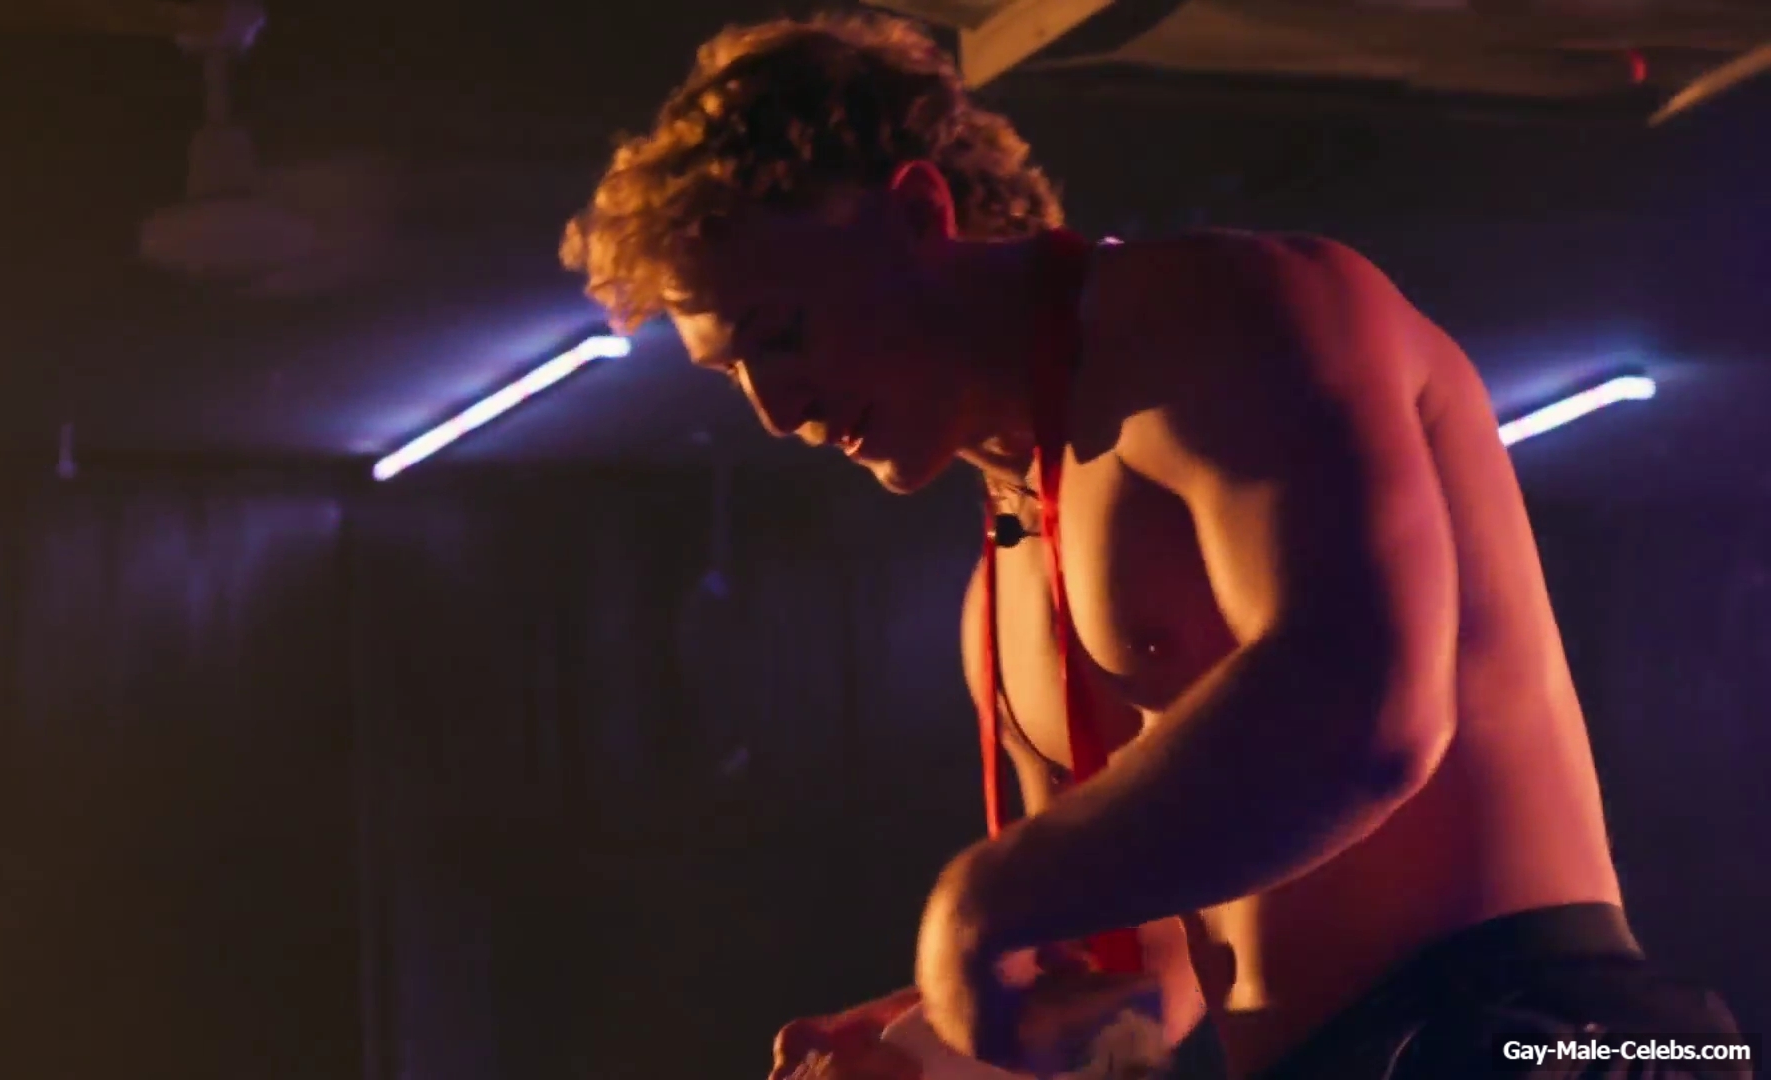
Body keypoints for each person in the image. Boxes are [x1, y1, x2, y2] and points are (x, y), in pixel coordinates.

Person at [559, 12, 1741, 1079]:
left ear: (918, 215)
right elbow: (1144, 988)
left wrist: (979, 901)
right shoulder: (1001, 584)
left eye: (783, 332)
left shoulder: (1227, 313)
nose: (776, 411)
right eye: (733, 372)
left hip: (1543, 1030)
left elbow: (1367, 717)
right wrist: (925, 1052)